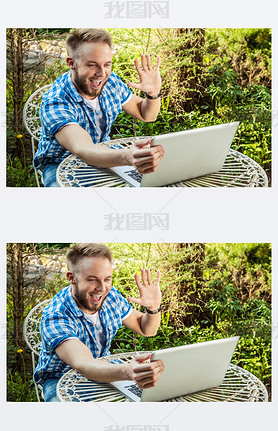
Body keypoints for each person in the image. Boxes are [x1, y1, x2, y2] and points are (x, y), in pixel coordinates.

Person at [34, 28, 165, 187]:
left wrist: (153, 93)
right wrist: (126, 156)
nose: (102, 73)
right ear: (71, 63)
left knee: (156, 182)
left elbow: (147, 115)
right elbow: (83, 148)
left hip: (107, 154)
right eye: (92, 65)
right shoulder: (56, 100)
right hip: (60, 164)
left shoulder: (111, 83)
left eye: (107, 64)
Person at [34, 243, 165, 402]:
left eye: (107, 279)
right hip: (60, 379)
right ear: (72, 278)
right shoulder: (56, 315)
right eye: (92, 279)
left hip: (107, 368)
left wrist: (153, 308)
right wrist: (126, 371)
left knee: (157, 396)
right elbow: (83, 363)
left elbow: (147, 330)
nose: (102, 288)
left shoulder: (111, 297)